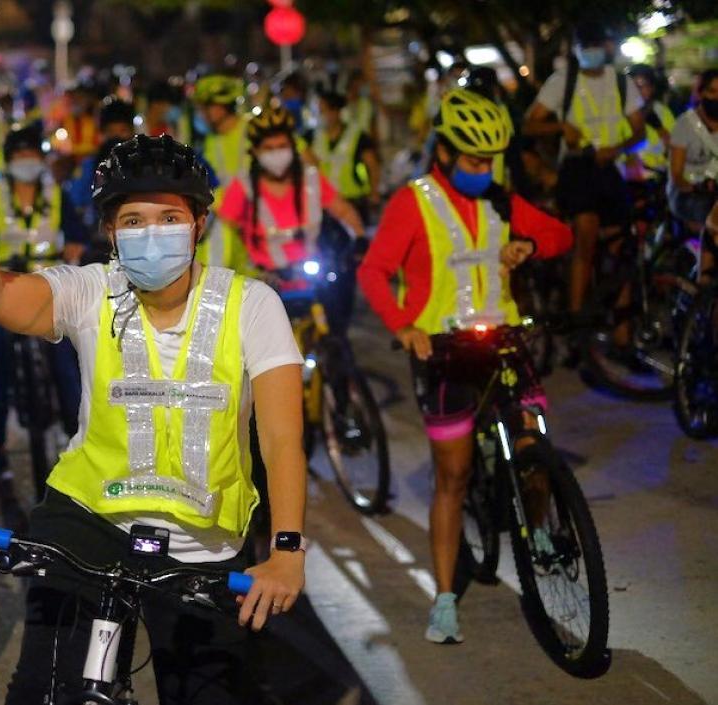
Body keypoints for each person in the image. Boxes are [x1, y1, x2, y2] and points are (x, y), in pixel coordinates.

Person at [0, 126, 310, 703]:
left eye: (169, 217)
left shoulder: (252, 304)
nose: (152, 234)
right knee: (47, 691)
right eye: (133, 221)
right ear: (111, 233)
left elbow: (283, 439)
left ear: (199, 226)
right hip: (87, 525)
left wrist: (286, 551)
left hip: (203, 548)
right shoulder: (92, 291)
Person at [359, 89, 573, 644]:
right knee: (452, 477)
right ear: (448, 153)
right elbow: (374, 272)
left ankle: (540, 530)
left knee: (534, 447)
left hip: (503, 340)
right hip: (444, 352)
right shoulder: (413, 202)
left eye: (491, 160)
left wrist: (529, 245)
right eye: (475, 160)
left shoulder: (501, 200)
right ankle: (445, 599)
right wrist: (405, 327)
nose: (485, 170)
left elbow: (560, 234)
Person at [0, 123, 86, 501]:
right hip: (6, 292)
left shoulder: (55, 194)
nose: (27, 161)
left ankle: (78, 435)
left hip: (50, 294)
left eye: (32, 154)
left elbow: (75, 235)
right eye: (19, 155)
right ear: (8, 161)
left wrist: (73, 253)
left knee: (67, 366)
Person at [523, 22, 646, 323]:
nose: (591, 51)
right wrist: (561, 127)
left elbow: (639, 131)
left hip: (609, 168)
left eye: (596, 43)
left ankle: (622, 333)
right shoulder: (562, 82)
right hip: (577, 168)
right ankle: (578, 321)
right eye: (585, 45)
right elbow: (529, 124)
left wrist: (617, 148)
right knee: (586, 236)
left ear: (607, 47)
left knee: (623, 247)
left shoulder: (620, 82)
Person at [218, 106, 365, 333]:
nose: (276, 154)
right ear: (255, 152)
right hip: (263, 281)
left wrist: (360, 237)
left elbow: (343, 211)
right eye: (268, 148)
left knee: (335, 340)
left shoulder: (311, 181)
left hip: (310, 279)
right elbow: (225, 233)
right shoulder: (242, 188)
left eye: (282, 147)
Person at [193, 74, 252, 272]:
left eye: (204, 107)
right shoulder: (209, 142)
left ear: (220, 105)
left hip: (257, 225)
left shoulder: (253, 129)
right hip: (225, 225)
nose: (201, 114)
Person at [669, 69, 718, 279]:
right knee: (712, 227)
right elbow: (677, 175)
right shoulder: (685, 125)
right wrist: (695, 186)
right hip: (689, 196)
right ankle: (703, 282)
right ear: (700, 93)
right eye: (712, 91)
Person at [313, 90, 381, 221]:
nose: (321, 116)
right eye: (320, 112)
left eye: (324, 111)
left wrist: (374, 193)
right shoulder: (313, 137)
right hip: (324, 203)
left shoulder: (357, 136)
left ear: (336, 111)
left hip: (353, 200)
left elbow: (373, 166)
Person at [623, 64, 676, 184]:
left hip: (658, 179)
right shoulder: (618, 112)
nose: (637, 91)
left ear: (652, 88)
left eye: (642, 86)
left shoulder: (662, 112)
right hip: (625, 180)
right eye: (633, 86)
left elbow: (674, 147)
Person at [142, 77, 191, 143]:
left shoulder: (169, 128)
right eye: (165, 105)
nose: (168, 110)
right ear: (155, 104)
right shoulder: (138, 125)